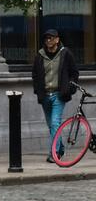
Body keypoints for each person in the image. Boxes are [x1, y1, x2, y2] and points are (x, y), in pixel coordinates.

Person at [32, 28, 79, 163]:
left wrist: (69, 88)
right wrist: (37, 90)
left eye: (51, 38)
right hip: (45, 95)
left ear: (57, 39)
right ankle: (60, 148)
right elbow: (35, 75)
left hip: (59, 94)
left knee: (54, 122)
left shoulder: (66, 54)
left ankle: (54, 154)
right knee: (52, 125)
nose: (48, 40)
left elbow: (74, 73)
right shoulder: (40, 56)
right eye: (46, 38)